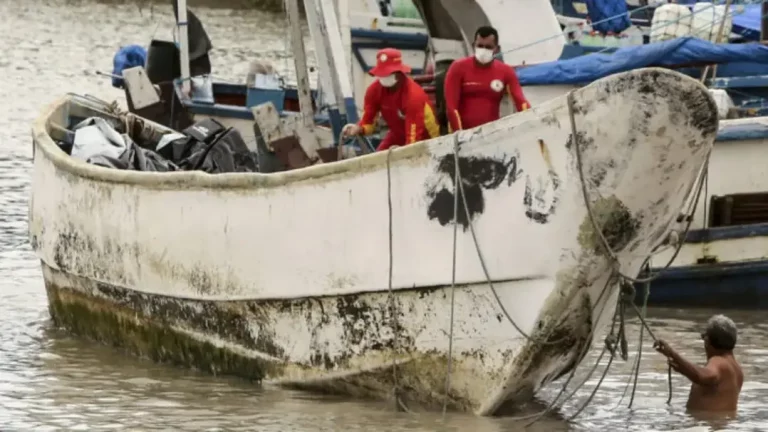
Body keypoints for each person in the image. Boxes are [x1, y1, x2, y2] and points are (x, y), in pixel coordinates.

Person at [342, 48, 440, 151]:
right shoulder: (374, 91)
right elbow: (368, 121)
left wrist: (403, 153)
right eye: (381, 74)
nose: (383, 78)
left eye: (387, 74)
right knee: (377, 159)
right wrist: (359, 128)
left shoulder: (413, 96)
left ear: (398, 74)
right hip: (397, 133)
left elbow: (413, 139)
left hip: (426, 139)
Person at [443, 26, 531, 133]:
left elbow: (521, 101)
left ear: (496, 49)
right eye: (480, 46)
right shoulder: (457, 67)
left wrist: (533, 121)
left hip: (492, 134)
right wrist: (460, 135)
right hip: (462, 135)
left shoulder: (506, 72)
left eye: (488, 47)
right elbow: (451, 107)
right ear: (473, 45)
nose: (483, 50)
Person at [654, 314, 743, 414]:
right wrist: (682, 368)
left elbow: (703, 376)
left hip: (707, 426)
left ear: (707, 340)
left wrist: (672, 354)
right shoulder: (736, 369)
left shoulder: (718, 362)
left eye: (703, 337)